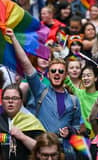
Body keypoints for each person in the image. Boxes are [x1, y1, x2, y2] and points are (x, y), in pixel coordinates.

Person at [5, 28, 82, 159]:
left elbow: (78, 127)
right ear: (49, 74)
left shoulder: (74, 100)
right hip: (41, 151)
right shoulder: (40, 90)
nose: (57, 73)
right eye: (53, 71)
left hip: (65, 153)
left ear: (66, 75)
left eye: (60, 71)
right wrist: (13, 39)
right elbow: (26, 63)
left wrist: (70, 131)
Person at [0, 83, 45, 160]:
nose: (10, 101)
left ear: (21, 101)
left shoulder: (31, 122)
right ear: (2, 102)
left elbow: (43, 151)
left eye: (14, 98)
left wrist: (22, 137)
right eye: (7, 98)